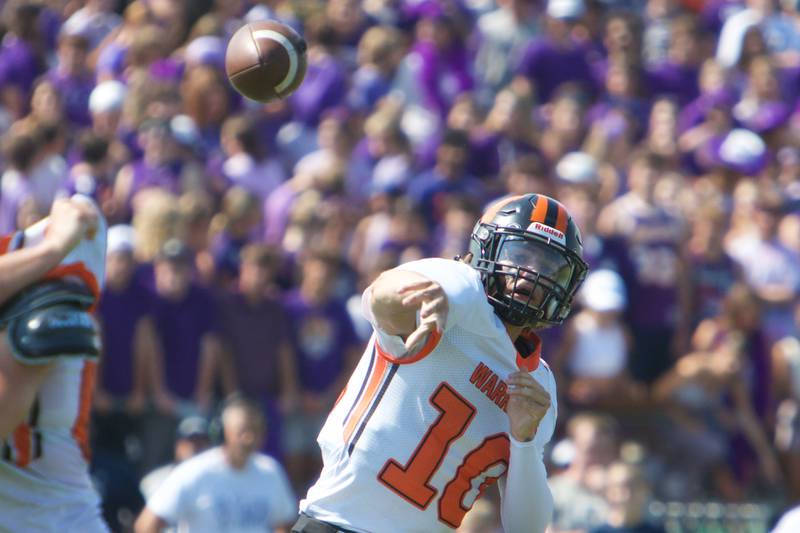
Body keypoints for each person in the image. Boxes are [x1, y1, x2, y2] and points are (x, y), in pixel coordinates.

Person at [295, 193, 589, 533]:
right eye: (521, 254)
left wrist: (524, 441)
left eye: (549, 267)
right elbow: (383, 298)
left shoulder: (538, 383)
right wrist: (419, 297)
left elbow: (527, 527)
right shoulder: (456, 286)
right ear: (486, 248)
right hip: (338, 523)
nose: (531, 274)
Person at [0, 195, 107, 530]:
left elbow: (79, 210)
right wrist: (54, 248)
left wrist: (54, 248)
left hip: (58, 513)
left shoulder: (47, 300)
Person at [135, 395, 297, 533]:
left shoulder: (270, 471)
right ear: (222, 432)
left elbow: (284, 523)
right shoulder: (195, 471)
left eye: (255, 430)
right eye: (242, 431)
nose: (249, 438)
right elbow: (147, 524)